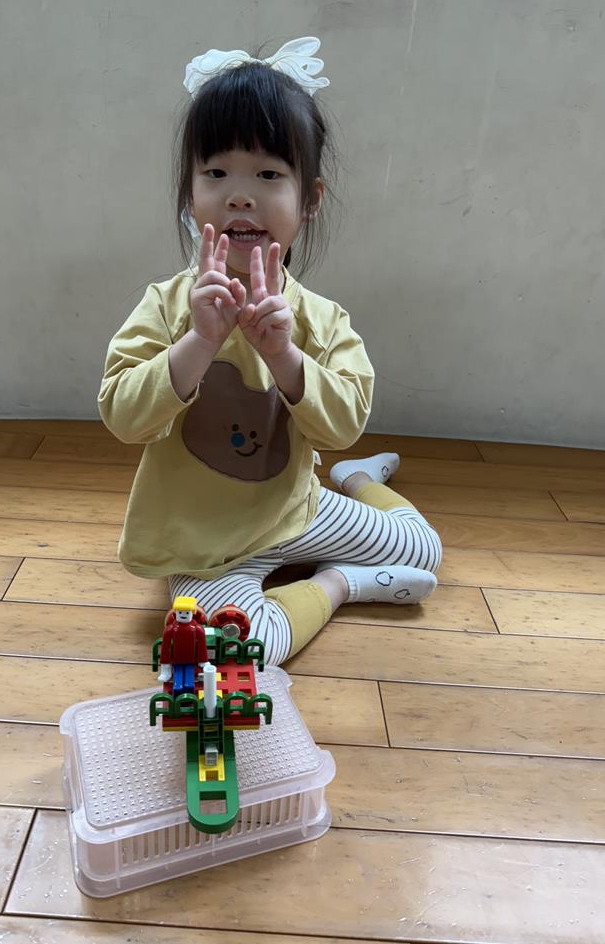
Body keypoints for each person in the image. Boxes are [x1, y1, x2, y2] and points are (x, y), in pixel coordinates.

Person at [98, 37, 442, 666]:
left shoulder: (322, 319)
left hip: (295, 511)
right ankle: (337, 585)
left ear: (309, 200)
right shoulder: (167, 305)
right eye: (216, 173)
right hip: (205, 546)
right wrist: (200, 341)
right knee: (240, 653)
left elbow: (341, 425)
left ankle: (357, 480)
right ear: (189, 195)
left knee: (423, 549)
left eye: (268, 174)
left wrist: (285, 358)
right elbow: (122, 415)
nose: (240, 195)